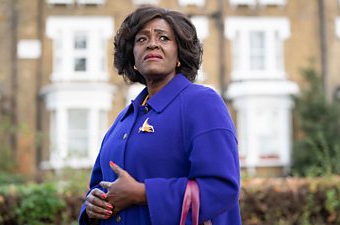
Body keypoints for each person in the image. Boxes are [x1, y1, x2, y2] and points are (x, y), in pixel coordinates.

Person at [79, 5, 241, 225]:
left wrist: (142, 193)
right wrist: (91, 205)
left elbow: (222, 188)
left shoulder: (201, 102)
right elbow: (100, 185)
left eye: (164, 38)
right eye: (141, 39)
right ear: (133, 57)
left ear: (179, 55)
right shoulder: (123, 120)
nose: (152, 43)